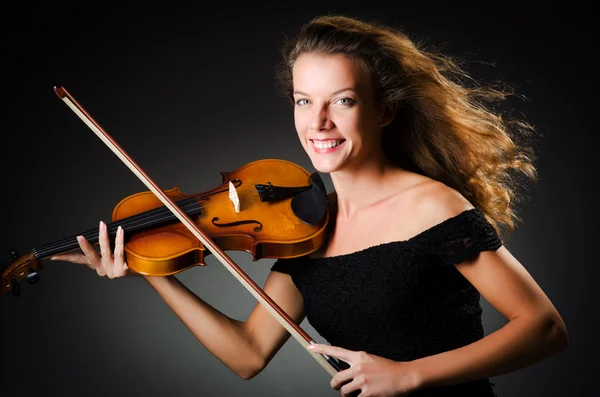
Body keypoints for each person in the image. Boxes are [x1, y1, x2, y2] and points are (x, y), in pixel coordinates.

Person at [50, 15, 569, 397]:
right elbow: (248, 354)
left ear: (383, 110)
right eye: (304, 100)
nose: (317, 123)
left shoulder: (430, 205)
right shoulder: (304, 225)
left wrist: (408, 373)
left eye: (342, 100)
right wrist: (150, 269)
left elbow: (544, 328)